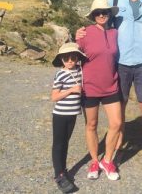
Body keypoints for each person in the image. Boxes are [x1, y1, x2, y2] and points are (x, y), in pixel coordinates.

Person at [76, 0, 142, 175]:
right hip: (121, 63)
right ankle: (117, 150)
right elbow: (103, 25)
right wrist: (81, 34)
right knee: (120, 110)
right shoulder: (114, 0)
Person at [76, 0, 122, 181]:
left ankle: (107, 160)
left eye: (104, 12)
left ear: (109, 14)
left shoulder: (115, 33)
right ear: (93, 16)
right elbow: (72, 55)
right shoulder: (84, 33)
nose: (101, 15)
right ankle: (95, 161)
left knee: (117, 123)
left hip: (111, 85)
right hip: (90, 88)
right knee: (91, 125)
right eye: (97, 13)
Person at [51, 42, 87, 193]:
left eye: (73, 57)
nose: (70, 60)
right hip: (60, 115)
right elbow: (54, 96)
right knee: (58, 144)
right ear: (61, 60)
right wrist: (72, 90)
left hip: (72, 114)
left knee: (65, 143)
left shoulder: (80, 70)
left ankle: (63, 170)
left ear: (78, 58)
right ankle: (59, 175)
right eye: (66, 58)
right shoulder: (60, 74)